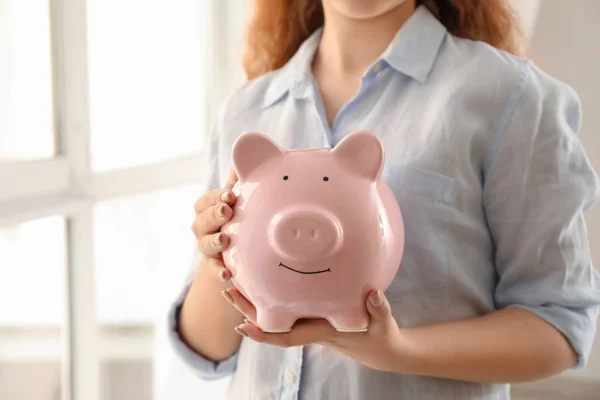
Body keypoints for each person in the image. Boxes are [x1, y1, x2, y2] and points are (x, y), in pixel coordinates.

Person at [169, 1, 600, 399]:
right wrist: (216, 257)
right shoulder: (247, 109)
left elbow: (558, 326)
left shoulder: (510, 97)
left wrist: (397, 349)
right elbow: (206, 350)